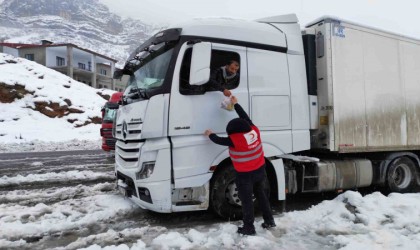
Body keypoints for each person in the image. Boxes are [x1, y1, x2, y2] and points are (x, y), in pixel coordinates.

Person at [204, 96, 276, 236]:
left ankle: (249, 228)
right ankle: (269, 221)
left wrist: (210, 134)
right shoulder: (254, 130)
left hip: (245, 175)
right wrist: (236, 104)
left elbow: (218, 140)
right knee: (261, 196)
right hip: (260, 170)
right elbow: (245, 117)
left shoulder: (235, 140)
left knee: (247, 201)